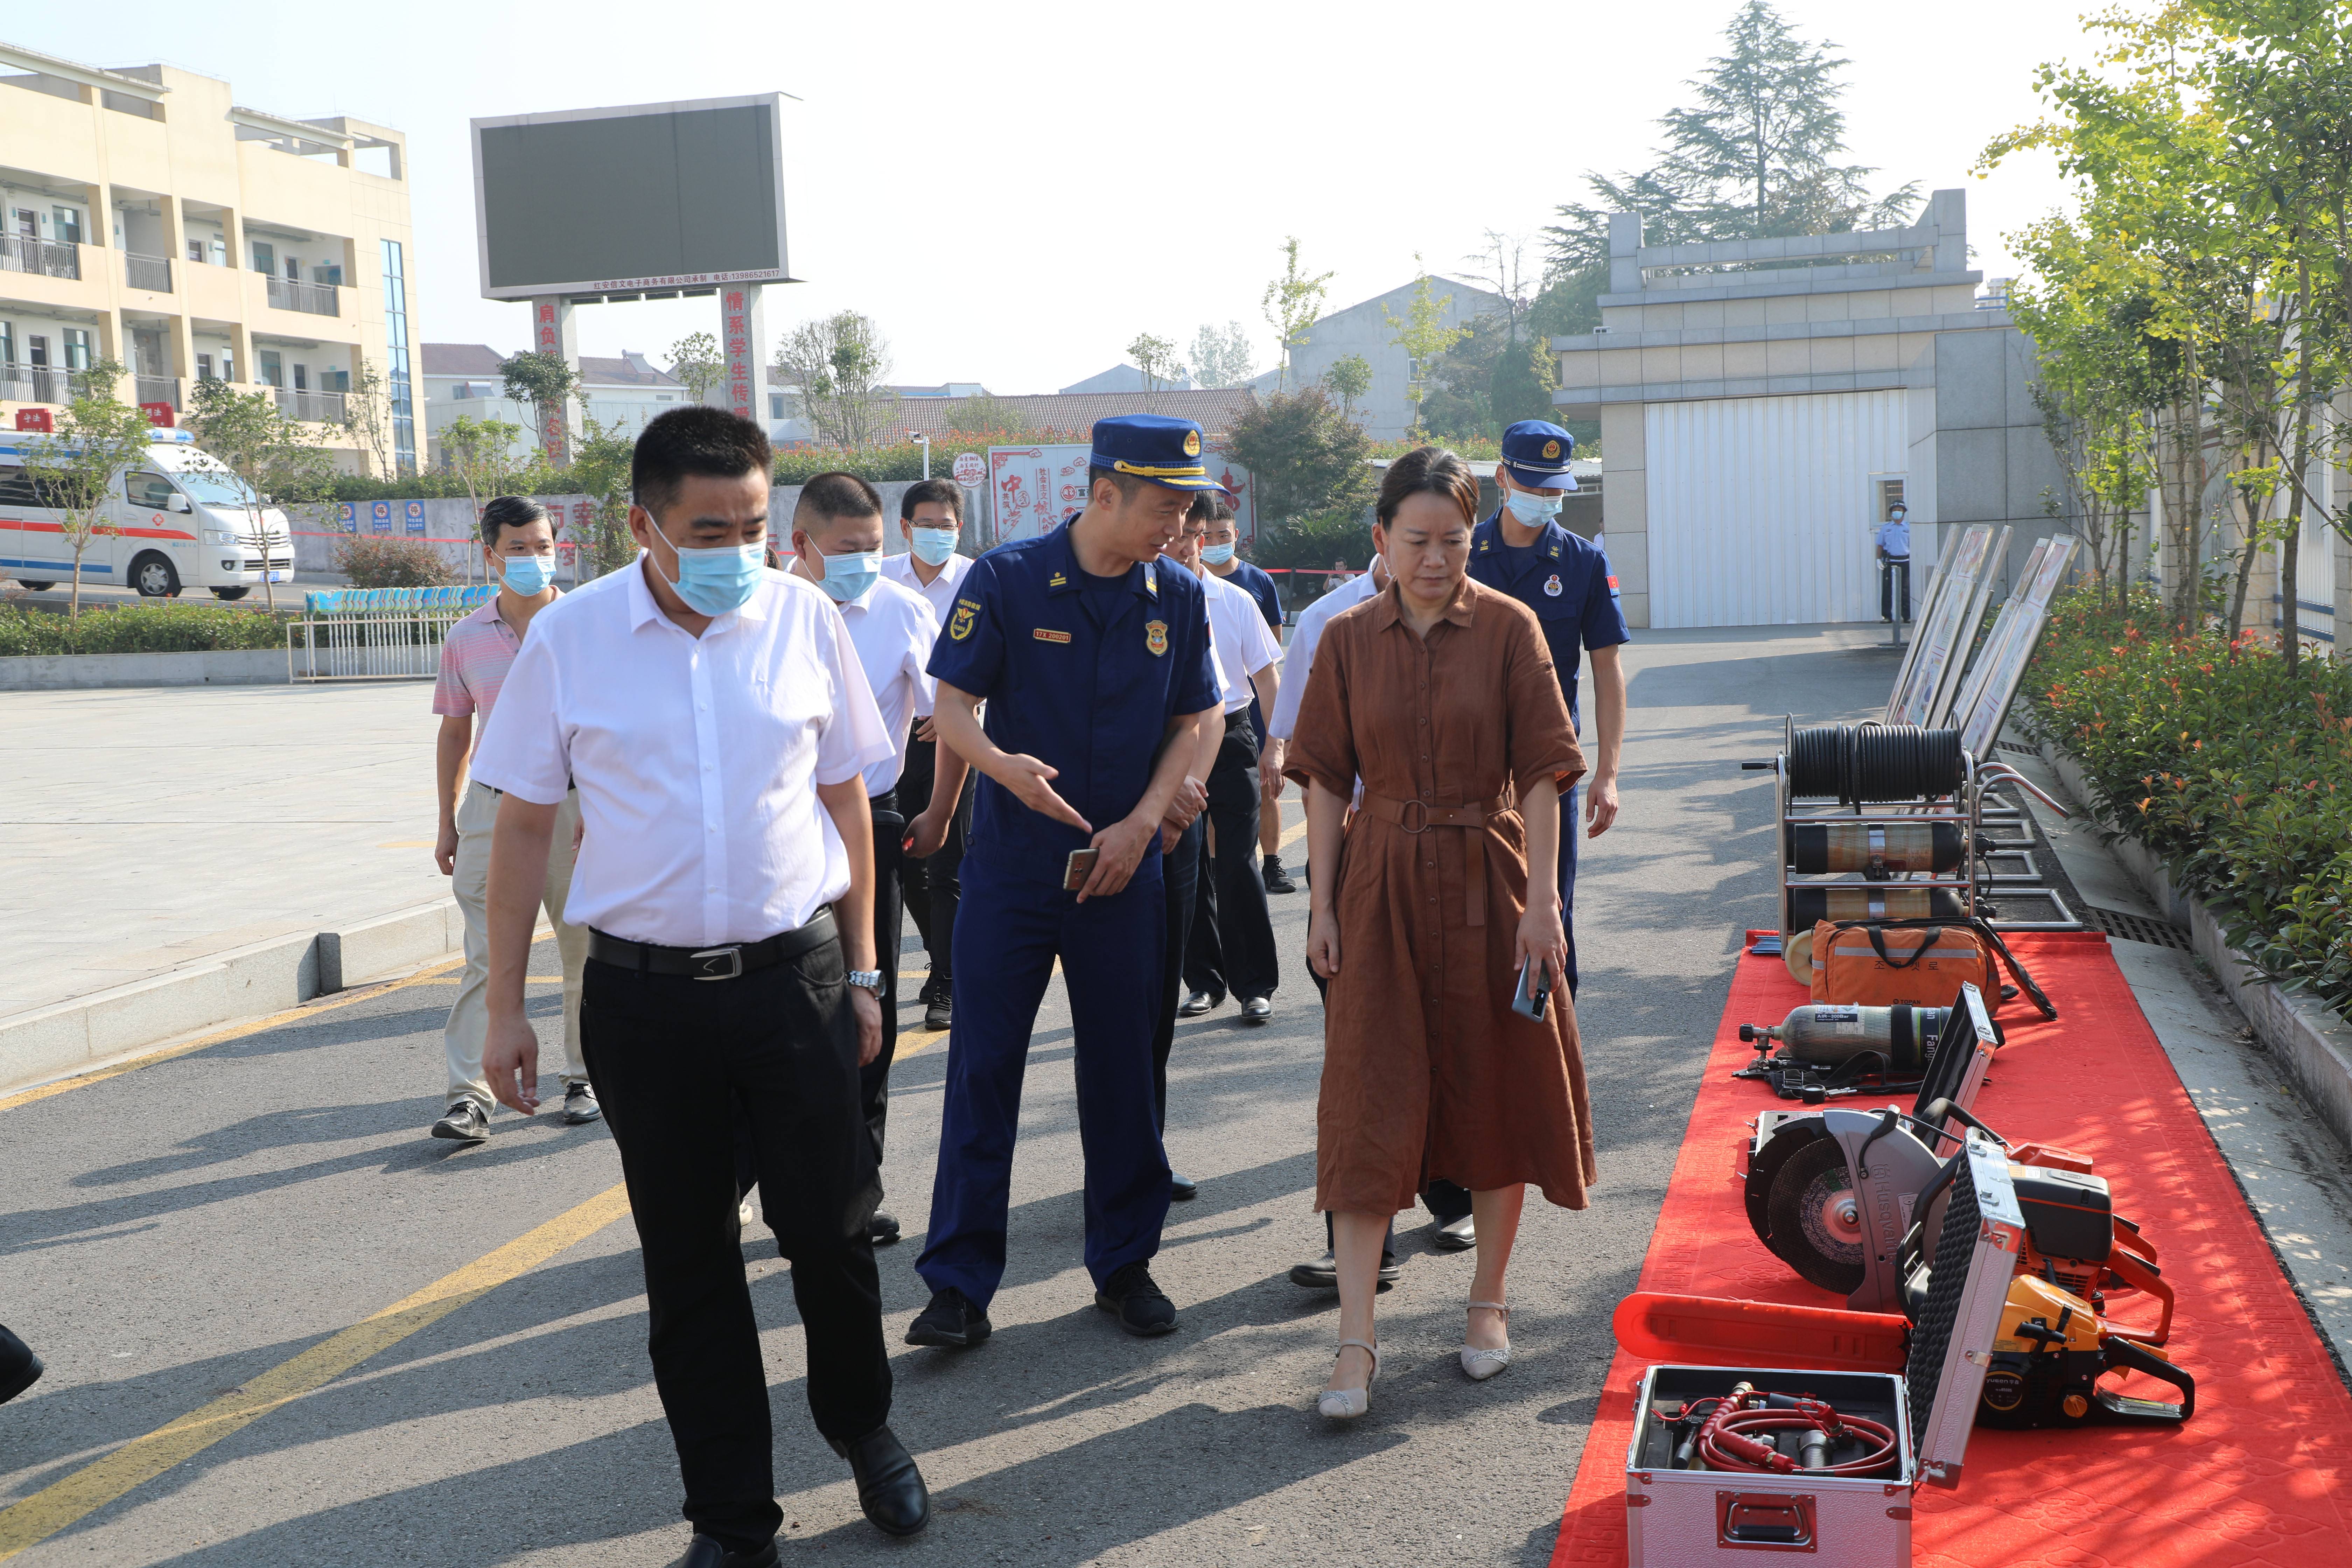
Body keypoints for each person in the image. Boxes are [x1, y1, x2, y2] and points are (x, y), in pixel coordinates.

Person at [473, 407, 930, 1563]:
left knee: (830, 1234)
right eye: (709, 528)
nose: (739, 550)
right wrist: (504, 1009)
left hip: (799, 983)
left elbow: (846, 806)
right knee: (690, 1268)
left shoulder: (805, 619)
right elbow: (524, 828)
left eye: (755, 525)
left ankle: (863, 1426)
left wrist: (868, 969)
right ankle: (733, 1519)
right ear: (643, 524)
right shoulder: (569, 640)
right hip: (645, 1004)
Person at [1287, 445, 1596, 1419]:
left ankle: (1489, 1305)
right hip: (1379, 881)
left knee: (1497, 1088)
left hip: (1489, 878)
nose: (1434, 559)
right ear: (1380, 540)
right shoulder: (1345, 639)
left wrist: (1544, 905)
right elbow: (1328, 778)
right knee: (1366, 1097)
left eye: (1453, 541)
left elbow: (1545, 772)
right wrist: (1321, 904)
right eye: (1416, 540)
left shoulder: (1512, 629)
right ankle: (1353, 1343)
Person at [906, 413, 1222, 1350]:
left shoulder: (1179, 595)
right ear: (1105, 493)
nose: (1176, 523)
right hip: (1012, 872)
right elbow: (952, 708)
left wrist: (1145, 819)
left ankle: (1125, 1264)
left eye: (1186, 508)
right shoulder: (1005, 579)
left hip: (1123, 872)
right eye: (1164, 506)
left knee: (1123, 1069)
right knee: (984, 1069)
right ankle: (959, 1283)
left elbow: (1199, 721)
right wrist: (1003, 770)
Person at [789, 472, 966, 1248]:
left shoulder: (902, 610)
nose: (865, 560)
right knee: (786, 1011)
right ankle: (773, 1175)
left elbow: (951, 714)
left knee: (869, 1008)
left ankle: (857, 1188)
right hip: (781, 832)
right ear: (803, 545)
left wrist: (942, 811)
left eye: (874, 547)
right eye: (847, 548)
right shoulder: (763, 609)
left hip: (870, 819)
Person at [428, 496, 596, 1144]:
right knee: (486, 956)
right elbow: (454, 731)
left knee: (584, 948)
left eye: (544, 545)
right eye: (519, 548)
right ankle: (469, 1097)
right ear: (490, 554)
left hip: (576, 805)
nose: (533, 558)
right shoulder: (468, 636)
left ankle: (582, 1077)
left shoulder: (585, 626)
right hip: (495, 809)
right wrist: (446, 819)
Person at [1177, 493, 1284, 1026]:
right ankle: (1204, 981)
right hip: (1174, 742)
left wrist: (1275, 745)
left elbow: (1266, 677)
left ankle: (1255, 984)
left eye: (1195, 534)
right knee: (1187, 862)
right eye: (1177, 533)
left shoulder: (1234, 600)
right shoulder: (1143, 595)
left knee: (1238, 862)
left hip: (1234, 738)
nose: (1185, 545)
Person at [1150, 509, 1229, 1204]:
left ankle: (1147, 1147)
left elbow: (1210, 713)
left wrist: (1186, 794)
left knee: (1155, 1004)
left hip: (1171, 828)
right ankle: (1116, 1152)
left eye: (1184, 530)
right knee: (1110, 1007)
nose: (1174, 541)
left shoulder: (1184, 598)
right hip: (1100, 830)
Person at [882, 478, 976, 1032]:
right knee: (905, 862)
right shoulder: (882, 578)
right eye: (926, 525)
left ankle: (946, 981)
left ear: (959, 528)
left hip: (957, 740)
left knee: (949, 867)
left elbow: (1001, 654)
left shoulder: (977, 580)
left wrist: (959, 709)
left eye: (946, 526)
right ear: (905, 528)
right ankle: (943, 960)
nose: (937, 534)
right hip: (894, 738)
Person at [1876, 501, 1912, 622]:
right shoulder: (1886, 528)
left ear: (1904, 513)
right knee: (1887, 589)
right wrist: (1878, 559)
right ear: (1891, 513)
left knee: (1905, 590)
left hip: (1905, 561)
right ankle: (1887, 616)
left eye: (1900, 510)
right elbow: (1880, 545)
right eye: (1895, 510)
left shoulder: (1909, 528)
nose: (1897, 512)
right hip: (1890, 561)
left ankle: (1906, 616)